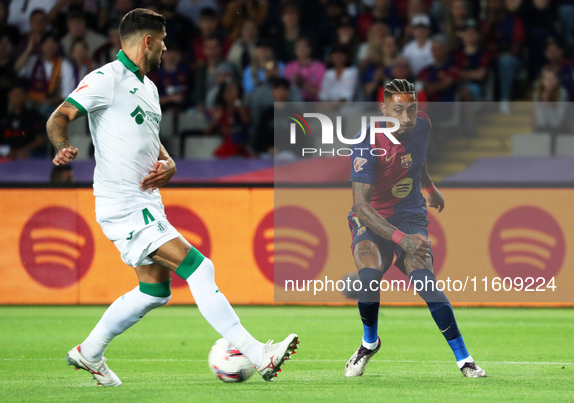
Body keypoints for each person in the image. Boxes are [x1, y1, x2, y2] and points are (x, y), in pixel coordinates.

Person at [46, 8, 298, 387]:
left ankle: (90, 352)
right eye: (162, 40)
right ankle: (257, 352)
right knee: (200, 267)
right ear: (147, 40)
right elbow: (58, 117)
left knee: (154, 290)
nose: (166, 48)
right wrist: (63, 146)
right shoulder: (105, 79)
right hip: (124, 204)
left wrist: (169, 162)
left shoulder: (148, 88)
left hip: (146, 201)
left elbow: (149, 138)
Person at [344, 78, 486, 379]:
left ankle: (465, 360)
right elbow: (361, 206)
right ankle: (369, 342)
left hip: (410, 214)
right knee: (369, 276)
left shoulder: (423, 125)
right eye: (398, 111)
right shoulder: (367, 141)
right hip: (373, 217)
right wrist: (400, 240)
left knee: (426, 283)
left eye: (412, 109)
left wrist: (430, 187)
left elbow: (417, 158)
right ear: (384, 109)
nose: (406, 118)